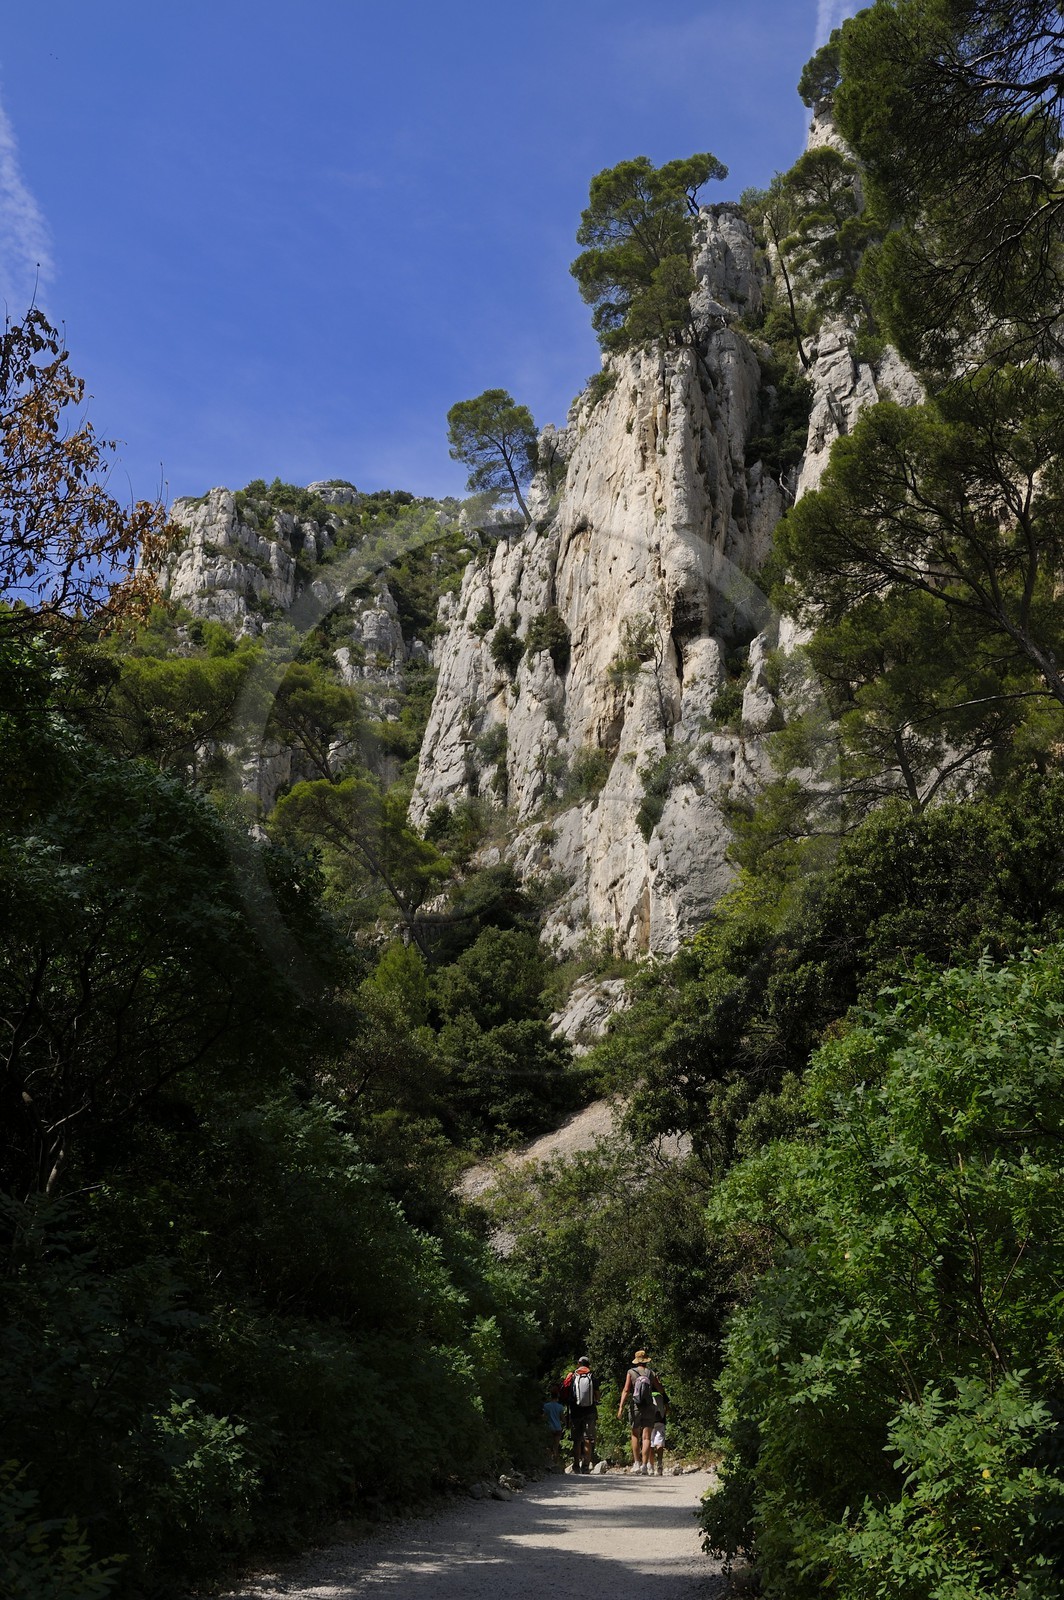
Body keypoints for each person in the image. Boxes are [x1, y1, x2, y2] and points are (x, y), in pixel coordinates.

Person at [617, 1348, 664, 1475]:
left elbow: (626, 1390)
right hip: (649, 1406)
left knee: (635, 1435)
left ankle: (636, 1463)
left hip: (635, 1406)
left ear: (636, 1361)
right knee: (647, 1437)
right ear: (646, 1361)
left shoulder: (631, 1372)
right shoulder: (651, 1373)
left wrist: (621, 1407)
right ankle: (645, 1466)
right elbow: (660, 1389)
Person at [560, 1353, 600, 1474]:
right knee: (588, 1438)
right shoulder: (592, 1376)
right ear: (588, 1365)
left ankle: (576, 1465)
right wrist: (596, 1400)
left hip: (575, 1411)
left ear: (579, 1364)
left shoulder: (572, 1376)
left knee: (577, 1439)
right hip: (590, 1410)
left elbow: (565, 1392)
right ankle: (586, 1466)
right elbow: (597, 1396)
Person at [542, 1383, 566, 1468]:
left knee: (549, 1446)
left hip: (549, 1428)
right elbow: (562, 1418)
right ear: (558, 1396)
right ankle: (556, 1464)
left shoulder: (546, 1406)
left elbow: (543, 1417)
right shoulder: (560, 1407)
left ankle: (549, 1463)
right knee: (556, 1446)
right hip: (558, 1428)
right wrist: (566, 1423)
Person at [649, 1378, 670, 1475]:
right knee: (659, 1442)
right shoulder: (662, 1393)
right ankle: (660, 1464)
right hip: (660, 1420)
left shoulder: (646, 1392)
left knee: (649, 1443)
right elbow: (667, 1408)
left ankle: (650, 1466)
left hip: (648, 1421)